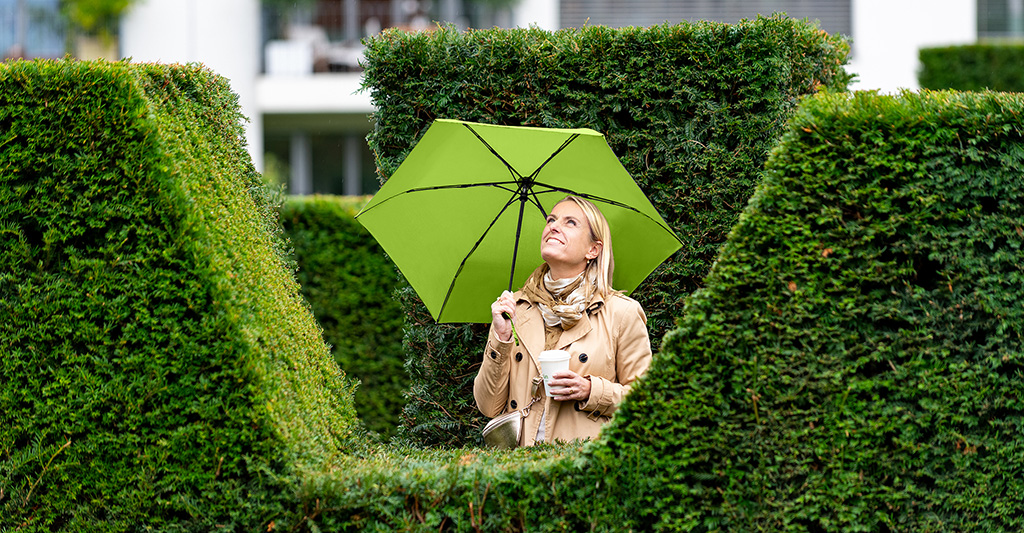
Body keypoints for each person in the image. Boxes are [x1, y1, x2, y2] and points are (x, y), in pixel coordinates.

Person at [474, 195, 653, 446]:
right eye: (551, 220)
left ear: (593, 249)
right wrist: (501, 338)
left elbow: (648, 402)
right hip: (519, 466)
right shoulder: (515, 309)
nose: (553, 226)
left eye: (570, 222)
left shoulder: (621, 313)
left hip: (584, 467)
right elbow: (488, 406)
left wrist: (590, 390)